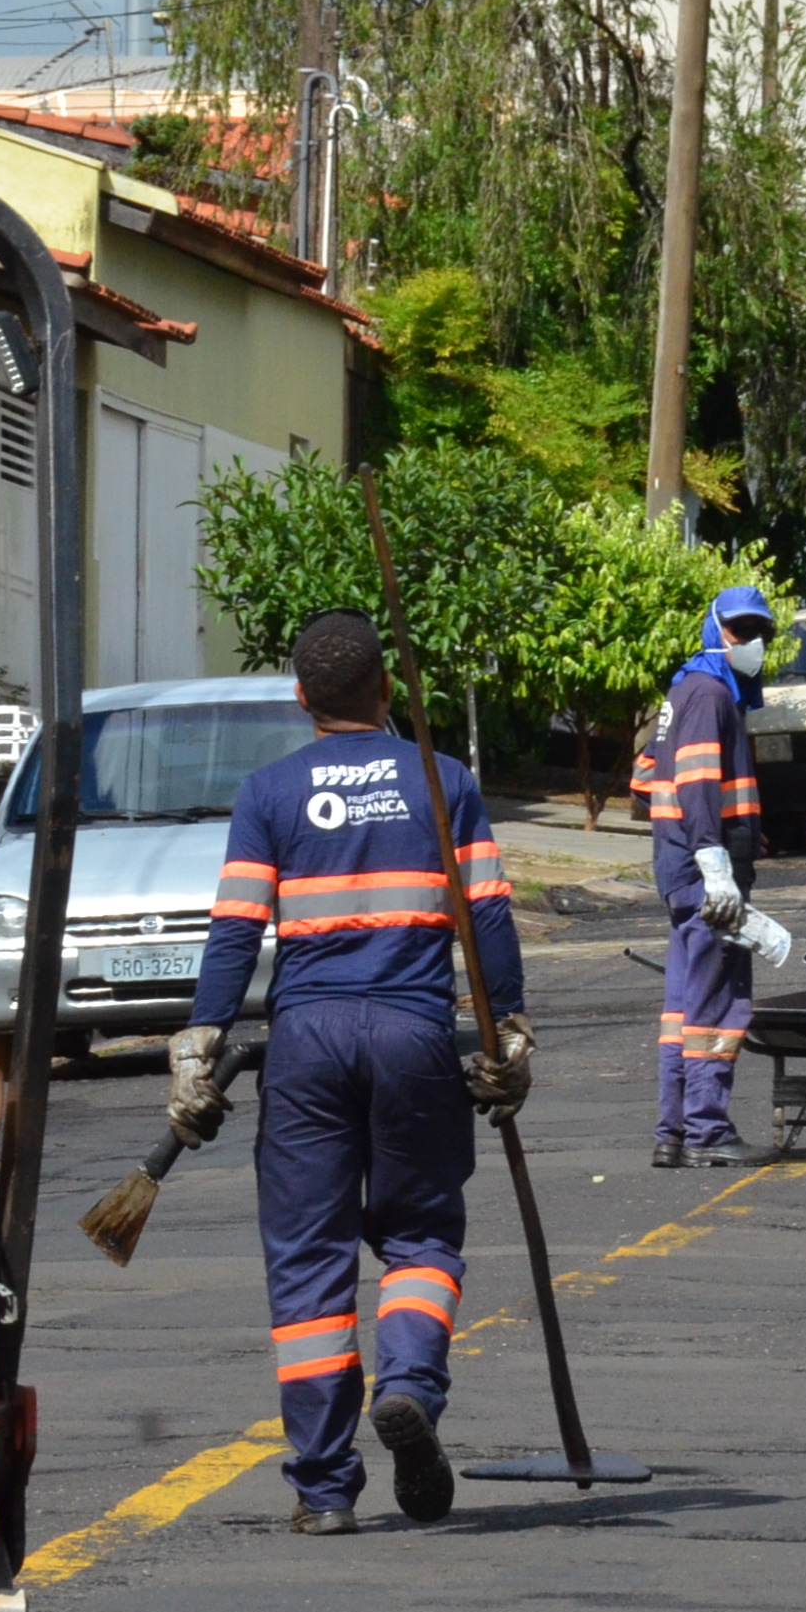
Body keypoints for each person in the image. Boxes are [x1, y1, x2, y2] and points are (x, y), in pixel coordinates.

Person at [168, 610, 533, 1537]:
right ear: (388, 690)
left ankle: (326, 1489)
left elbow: (234, 934)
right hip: (415, 1037)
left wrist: (202, 1042)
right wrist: (509, 1033)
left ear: (301, 699)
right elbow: (486, 918)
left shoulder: (270, 793)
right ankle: (408, 1382)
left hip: (306, 1047)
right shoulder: (444, 784)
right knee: (420, 1235)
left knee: (308, 1265)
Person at [644, 586, 776, 1170]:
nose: (749, 643)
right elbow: (697, 782)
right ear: (713, 629)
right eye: (738, 631)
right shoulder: (709, 695)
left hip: (683, 870)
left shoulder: (686, 689)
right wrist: (715, 861)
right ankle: (706, 1131)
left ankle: (672, 1131)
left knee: (683, 1005)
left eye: (758, 633)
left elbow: (647, 773)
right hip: (705, 876)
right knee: (716, 1007)